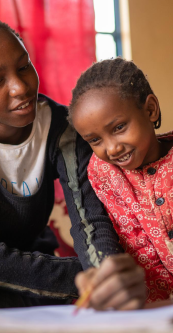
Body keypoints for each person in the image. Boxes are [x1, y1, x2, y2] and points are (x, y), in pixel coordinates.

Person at [0, 16, 145, 309]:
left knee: (105, 288)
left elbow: (90, 222)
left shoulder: (61, 130)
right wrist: (75, 275)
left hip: (40, 280)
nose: (20, 87)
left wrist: (102, 275)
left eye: (24, 66)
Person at [70, 57, 173, 305]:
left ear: (150, 110)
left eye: (118, 127)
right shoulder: (104, 172)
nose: (112, 148)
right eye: (95, 140)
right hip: (152, 308)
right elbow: (135, 247)